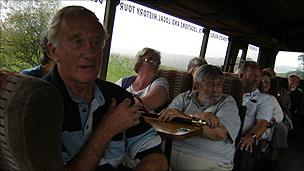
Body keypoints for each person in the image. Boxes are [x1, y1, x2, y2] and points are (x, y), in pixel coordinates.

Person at [44, 6, 168, 171]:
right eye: (77, 42)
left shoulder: (119, 98)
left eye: (96, 42)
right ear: (54, 51)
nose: (90, 52)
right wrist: (107, 130)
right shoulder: (38, 103)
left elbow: (157, 159)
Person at [159, 64, 241, 171]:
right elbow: (167, 119)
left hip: (210, 161)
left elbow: (219, 134)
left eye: (219, 84)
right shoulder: (184, 98)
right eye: (211, 84)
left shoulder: (227, 102)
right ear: (197, 86)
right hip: (168, 152)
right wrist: (198, 118)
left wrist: (185, 117)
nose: (216, 90)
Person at [233, 61, 273, 171]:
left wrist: (252, 136)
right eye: (253, 76)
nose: (257, 79)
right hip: (222, 132)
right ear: (241, 75)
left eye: (258, 77)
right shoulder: (228, 92)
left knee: (244, 148)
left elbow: (263, 123)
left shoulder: (264, 99)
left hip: (244, 137)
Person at [116, 47, 169, 113]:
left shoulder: (160, 82)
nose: (155, 64)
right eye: (150, 60)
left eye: (157, 62)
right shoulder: (123, 82)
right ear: (139, 63)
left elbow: (150, 101)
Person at [259, 71, 288, 161]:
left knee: (282, 128)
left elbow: (280, 112)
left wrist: (273, 120)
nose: (266, 84)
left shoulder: (272, 97)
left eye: (268, 82)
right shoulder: (249, 95)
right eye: (263, 81)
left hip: (272, 118)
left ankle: (274, 155)